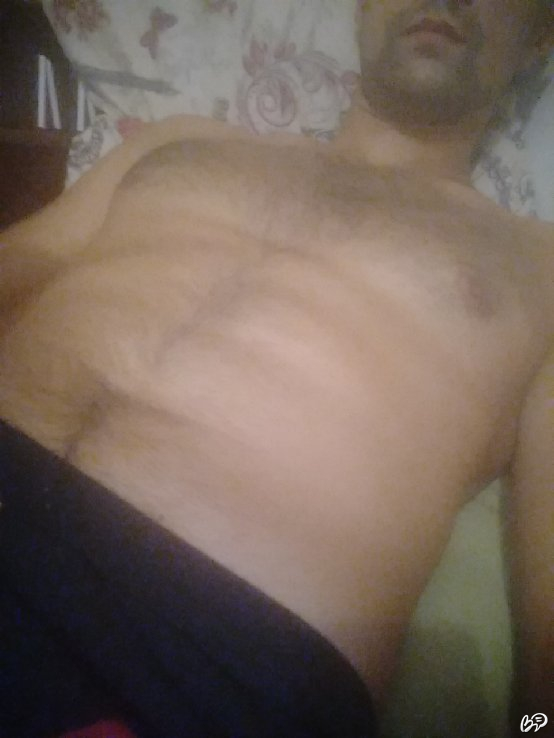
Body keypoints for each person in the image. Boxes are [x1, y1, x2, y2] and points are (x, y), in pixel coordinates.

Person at [0, 1, 553, 736]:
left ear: (540, 39)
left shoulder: (542, 266)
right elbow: (24, 259)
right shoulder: (179, 140)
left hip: (202, 657)